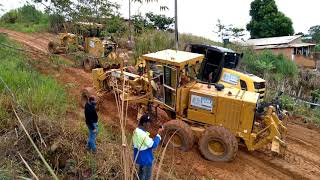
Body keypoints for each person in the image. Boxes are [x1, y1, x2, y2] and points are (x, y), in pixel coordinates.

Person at [132, 114, 163, 180]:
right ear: (144, 123)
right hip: (146, 160)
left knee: (140, 176)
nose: (150, 125)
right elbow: (153, 145)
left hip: (140, 159)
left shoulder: (136, 131)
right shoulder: (143, 135)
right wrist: (158, 134)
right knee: (146, 177)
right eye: (148, 123)